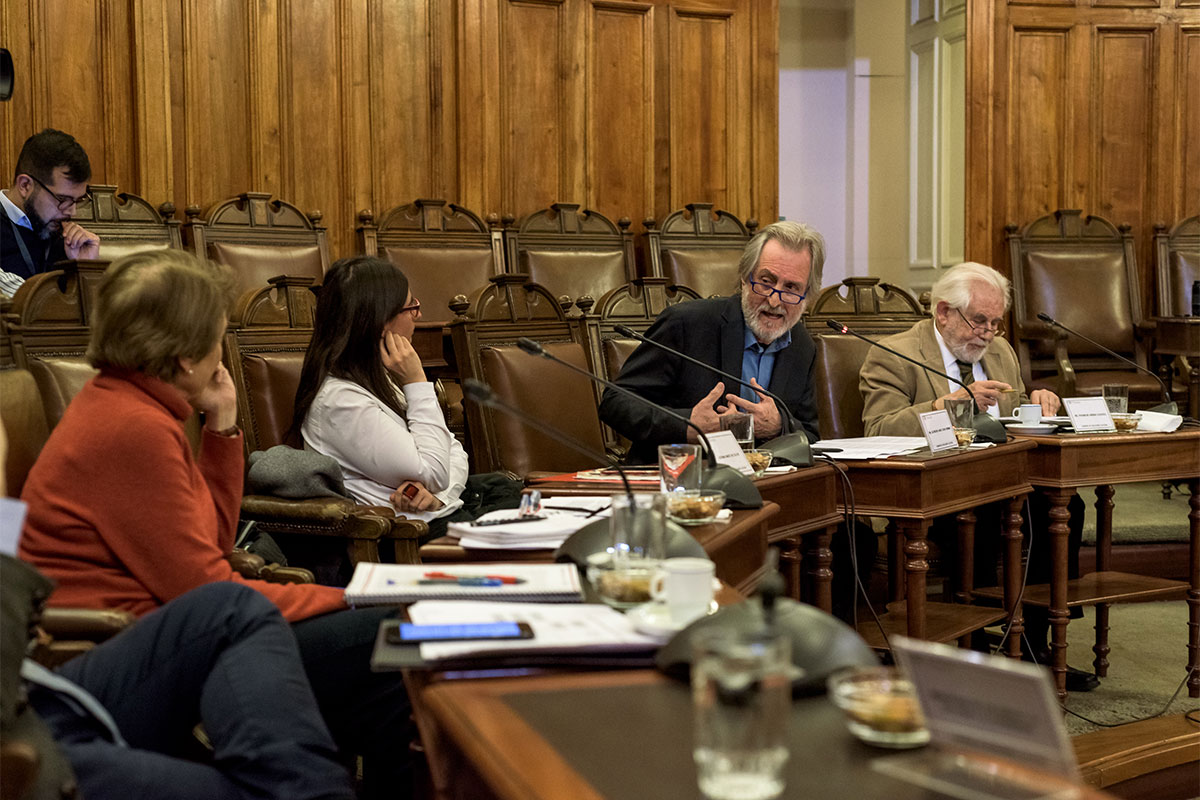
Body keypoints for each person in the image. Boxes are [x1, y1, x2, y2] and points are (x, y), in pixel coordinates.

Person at [16, 249, 417, 797]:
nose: (220, 350)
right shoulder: (131, 427)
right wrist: (350, 596)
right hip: (123, 647)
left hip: (171, 633)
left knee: (382, 663)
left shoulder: (133, 406)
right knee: (392, 632)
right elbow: (207, 591)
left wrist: (224, 428)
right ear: (185, 355)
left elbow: (210, 543)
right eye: (217, 335)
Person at [858, 261, 1094, 690]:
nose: (987, 333)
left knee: (1065, 503)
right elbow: (878, 427)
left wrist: (1038, 401)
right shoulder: (895, 354)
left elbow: (1014, 412)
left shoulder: (998, 353)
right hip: (935, 491)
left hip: (1003, 479)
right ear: (944, 312)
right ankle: (977, 642)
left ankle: (1037, 641)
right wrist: (947, 405)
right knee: (985, 514)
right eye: (978, 320)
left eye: (995, 323)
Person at [290, 255, 520, 550]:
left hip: (439, 515)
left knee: (518, 497)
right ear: (380, 320)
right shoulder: (340, 402)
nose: (419, 316)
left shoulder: (376, 379)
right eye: (412, 307)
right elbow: (435, 470)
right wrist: (416, 381)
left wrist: (440, 495)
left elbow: (452, 450)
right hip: (406, 539)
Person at [598, 220, 824, 465]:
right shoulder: (687, 324)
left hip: (765, 485)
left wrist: (779, 426)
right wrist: (687, 426)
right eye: (766, 281)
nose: (774, 300)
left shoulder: (801, 345)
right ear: (744, 279)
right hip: (676, 480)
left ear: (807, 296)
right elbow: (615, 402)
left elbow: (809, 434)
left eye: (791, 288)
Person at [1, 129, 100, 297]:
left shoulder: (68, 241)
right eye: (62, 199)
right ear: (25, 185)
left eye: (77, 200)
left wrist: (84, 267)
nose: (72, 211)